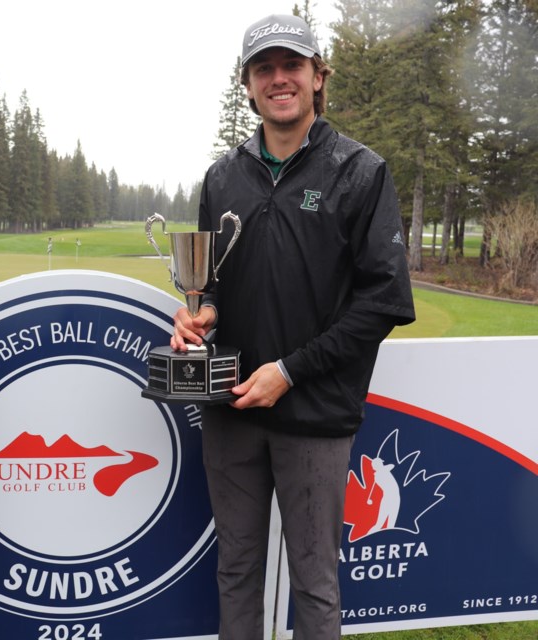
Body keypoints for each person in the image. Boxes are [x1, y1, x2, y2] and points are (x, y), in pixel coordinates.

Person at [171, 14, 415, 640]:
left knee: (314, 582)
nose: (279, 79)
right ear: (249, 86)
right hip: (230, 408)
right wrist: (199, 317)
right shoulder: (222, 176)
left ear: (316, 78)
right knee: (236, 569)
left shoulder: (360, 172)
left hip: (315, 412)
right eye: (264, 69)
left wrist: (289, 371)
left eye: (292, 66)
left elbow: (383, 300)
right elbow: (213, 284)